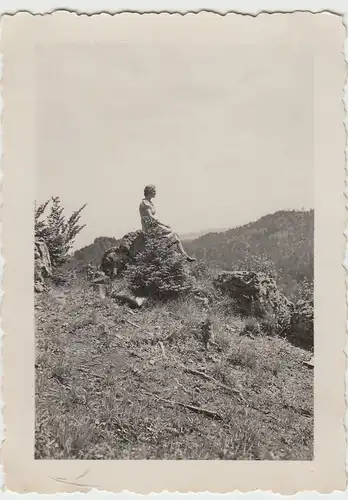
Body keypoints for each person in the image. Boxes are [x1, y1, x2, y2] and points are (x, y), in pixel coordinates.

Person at [139, 184, 196, 262]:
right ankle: (182, 255)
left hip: (154, 225)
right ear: (149, 192)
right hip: (150, 227)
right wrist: (164, 224)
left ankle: (184, 255)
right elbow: (151, 217)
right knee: (171, 232)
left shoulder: (149, 202)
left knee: (174, 234)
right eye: (154, 191)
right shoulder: (145, 203)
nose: (155, 193)